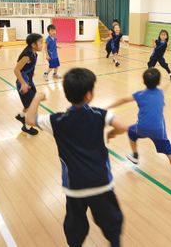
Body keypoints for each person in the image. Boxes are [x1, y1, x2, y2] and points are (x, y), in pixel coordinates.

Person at [25, 68, 128, 247]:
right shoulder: (100, 115)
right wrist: (112, 133)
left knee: (75, 225)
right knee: (111, 221)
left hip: (74, 187)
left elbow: (30, 120)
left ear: (67, 94)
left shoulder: (56, 120)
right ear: (89, 95)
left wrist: (37, 97)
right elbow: (123, 126)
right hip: (101, 183)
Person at [106, 68, 171, 187]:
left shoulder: (140, 95)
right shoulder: (161, 93)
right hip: (158, 131)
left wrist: (108, 107)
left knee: (131, 133)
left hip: (142, 128)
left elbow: (123, 100)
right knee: (169, 152)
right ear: (159, 82)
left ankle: (135, 155)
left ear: (143, 82)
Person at [14, 33, 44, 135]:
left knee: (30, 104)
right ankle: (26, 127)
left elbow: (24, 69)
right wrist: (23, 83)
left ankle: (21, 116)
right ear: (33, 44)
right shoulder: (27, 55)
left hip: (29, 81)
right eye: (40, 42)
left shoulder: (33, 53)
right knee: (32, 106)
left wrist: (30, 73)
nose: (42, 45)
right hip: (23, 83)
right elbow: (16, 70)